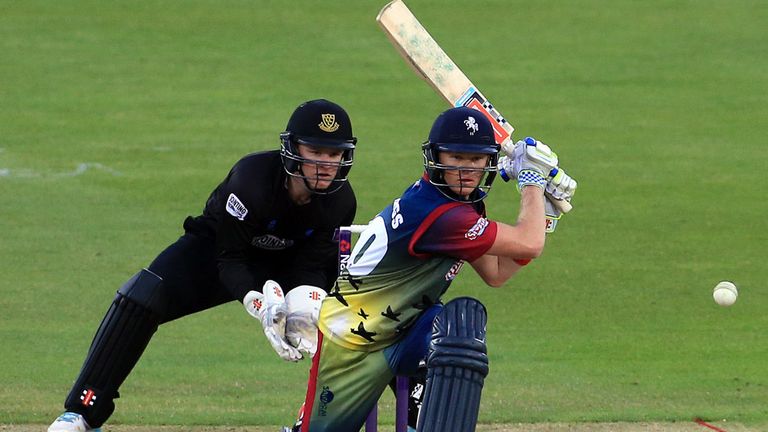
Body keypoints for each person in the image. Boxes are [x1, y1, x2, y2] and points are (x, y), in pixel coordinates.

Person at [48, 99, 359, 432]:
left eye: (333, 154)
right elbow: (230, 259)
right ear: (292, 149)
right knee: (143, 295)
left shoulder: (341, 202)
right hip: (217, 251)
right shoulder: (250, 181)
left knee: (350, 320)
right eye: (315, 151)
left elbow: (313, 265)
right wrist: (258, 304)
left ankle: (321, 423)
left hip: (289, 263)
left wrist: (305, 302)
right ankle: (82, 411)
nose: (325, 164)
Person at [287, 106, 577, 432]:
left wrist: (545, 216)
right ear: (436, 158)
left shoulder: (458, 205)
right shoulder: (441, 216)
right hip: (349, 346)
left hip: (409, 329)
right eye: (456, 158)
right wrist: (532, 184)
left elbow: (496, 273)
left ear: (489, 162)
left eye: (475, 159)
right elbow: (529, 243)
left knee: (455, 334)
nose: (466, 170)